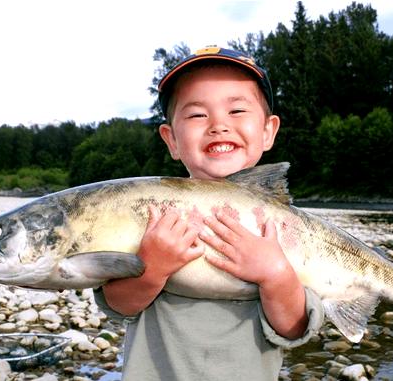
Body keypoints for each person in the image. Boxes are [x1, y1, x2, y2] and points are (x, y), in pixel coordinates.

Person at [93, 46, 324, 381]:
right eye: (198, 115)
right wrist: (150, 270)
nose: (218, 125)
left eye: (237, 110)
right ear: (171, 139)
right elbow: (118, 305)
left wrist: (275, 274)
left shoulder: (288, 231)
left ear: (268, 131)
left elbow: (293, 328)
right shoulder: (151, 214)